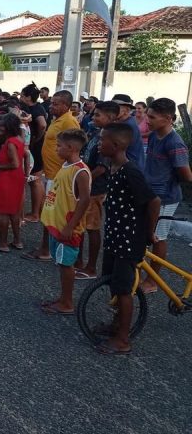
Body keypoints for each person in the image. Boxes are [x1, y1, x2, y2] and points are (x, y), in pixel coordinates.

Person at [95, 123, 160, 355]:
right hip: (115, 235)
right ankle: (116, 325)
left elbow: (153, 201)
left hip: (129, 239)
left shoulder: (130, 171)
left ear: (117, 145)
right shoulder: (113, 167)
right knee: (113, 281)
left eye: (102, 140)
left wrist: (150, 232)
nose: (99, 143)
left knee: (124, 289)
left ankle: (123, 339)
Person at [139, 98, 192, 294]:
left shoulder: (175, 143)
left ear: (168, 119)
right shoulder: (154, 135)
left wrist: (166, 180)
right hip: (150, 194)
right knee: (146, 233)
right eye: (147, 115)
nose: (147, 120)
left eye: (152, 117)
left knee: (158, 238)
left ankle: (152, 280)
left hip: (166, 197)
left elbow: (186, 175)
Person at [22, 90, 79, 262]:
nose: (51, 106)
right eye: (52, 103)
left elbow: (74, 148)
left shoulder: (69, 121)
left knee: (51, 213)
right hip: (52, 173)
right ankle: (46, 247)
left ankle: (48, 249)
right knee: (48, 213)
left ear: (66, 105)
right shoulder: (57, 119)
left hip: (59, 175)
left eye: (55, 104)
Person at [39, 129, 91, 315]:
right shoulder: (66, 165)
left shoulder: (80, 171)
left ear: (71, 148)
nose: (56, 149)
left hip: (67, 228)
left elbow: (84, 200)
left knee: (66, 265)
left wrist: (70, 226)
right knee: (61, 263)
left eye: (59, 146)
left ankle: (67, 302)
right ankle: (63, 298)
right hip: (57, 225)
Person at [74, 102, 117, 280]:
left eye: (98, 115)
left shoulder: (109, 139)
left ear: (111, 117)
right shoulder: (97, 133)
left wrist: (85, 181)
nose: (93, 117)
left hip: (95, 189)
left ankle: (91, 267)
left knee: (92, 227)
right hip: (87, 187)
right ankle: (78, 261)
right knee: (80, 225)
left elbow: (101, 168)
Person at [0, 114, 25, 253]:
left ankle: (3, 244)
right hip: (16, 178)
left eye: (2, 126)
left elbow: (14, 164)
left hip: (8, 178)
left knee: (3, 212)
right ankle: (17, 241)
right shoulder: (18, 139)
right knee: (14, 211)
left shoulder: (10, 143)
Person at [19, 83, 48, 223]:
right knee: (35, 180)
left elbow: (42, 125)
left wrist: (37, 138)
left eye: (22, 95)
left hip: (35, 147)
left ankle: (35, 213)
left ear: (29, 97)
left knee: (35, 180)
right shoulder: (35, 107)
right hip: (34, 145)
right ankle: (38, 211)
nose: (20, 98)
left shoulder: (36, 109)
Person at [111, 94, 145, 169]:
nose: (112, 110)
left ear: (127, 110)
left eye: (116, 107)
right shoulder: (125, 122)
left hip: (131, 167)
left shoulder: (127, 126)